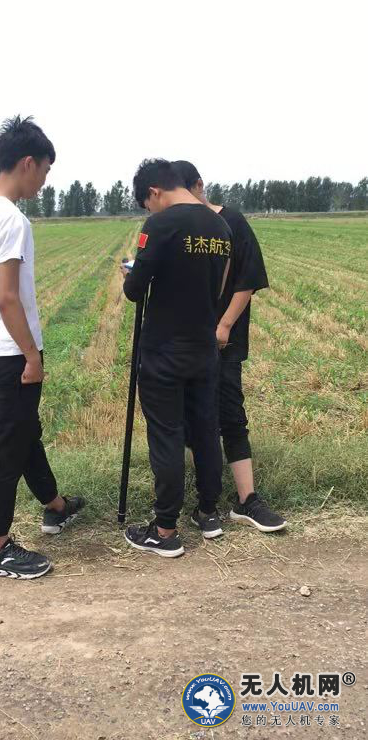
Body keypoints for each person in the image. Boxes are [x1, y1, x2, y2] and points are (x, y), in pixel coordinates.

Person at [0, 115, 84, 579]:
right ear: (28, 163)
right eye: (46, 171)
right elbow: (8, 298)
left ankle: (55, 506)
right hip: (11, 351)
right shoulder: (12, 220)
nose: (45, 181)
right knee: (8, 446)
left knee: (24, 431)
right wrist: (32, 355)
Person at [121, 159, 232, 558]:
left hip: (164, 351)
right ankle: (208, 512)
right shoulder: (220, 226)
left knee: (166, 434)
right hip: (203, 348)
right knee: (205, 429)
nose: (149, 210)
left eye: (147, 203)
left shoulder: (160, 226)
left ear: (154, 192)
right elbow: (218, 287)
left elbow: (135, 290)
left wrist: (129, 275)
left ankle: (165, 530)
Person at [172, 160, 286, 532]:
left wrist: (223, 326)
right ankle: (205, 500)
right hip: (187, 340)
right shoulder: (182, 228)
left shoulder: (232, 222)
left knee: (231, 414)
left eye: (185, 194)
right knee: (192, 418)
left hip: (223, 341)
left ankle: (247, 500)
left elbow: (248, 278)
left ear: (199, 186)